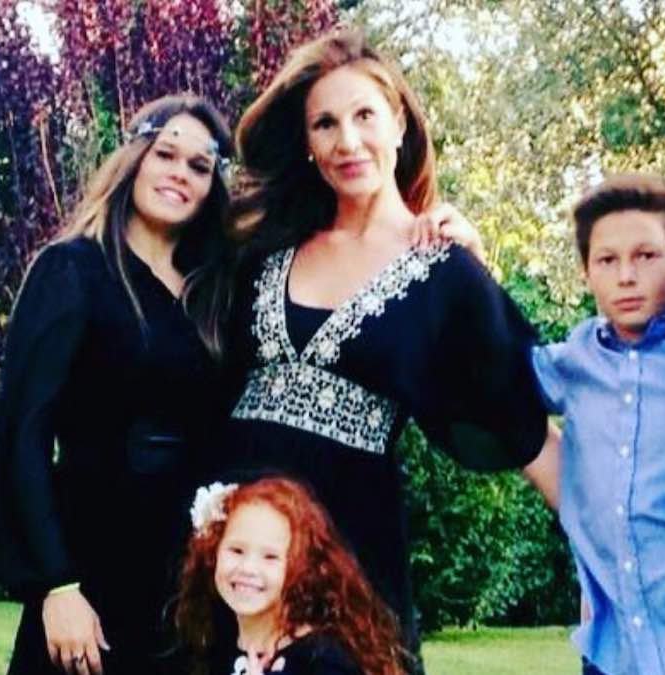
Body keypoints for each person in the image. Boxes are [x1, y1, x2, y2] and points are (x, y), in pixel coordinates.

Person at [194, 28, 558, 654]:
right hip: (239, 557)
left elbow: (526, 426)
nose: (348, 141)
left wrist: (625, 553)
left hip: (349, 552)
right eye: (325, 124)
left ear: (398, 124)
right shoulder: (264, 249)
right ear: (307, 143)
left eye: (364, 115)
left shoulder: (445, 272)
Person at [0, 94, 235, 675]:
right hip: (90, 568)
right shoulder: (72, 270)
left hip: (189, 578)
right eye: (165, 154)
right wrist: (55, 585)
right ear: (135, 159)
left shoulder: (215, 293)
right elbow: (23, 434)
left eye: (199, 165)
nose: (180, 173)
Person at [529, 173, 665, 675]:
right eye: (607, 260)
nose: (626, 276)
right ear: (586, 272)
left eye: (646, 256)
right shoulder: (573, 361)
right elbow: (487, 371)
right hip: (612, 654)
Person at [175, 476, 408, 675]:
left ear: (302, 568)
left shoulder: (323, 661)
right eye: (236, 550)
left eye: (270, 557)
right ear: (213, 552)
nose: (248, 568)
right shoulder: (212, 647)